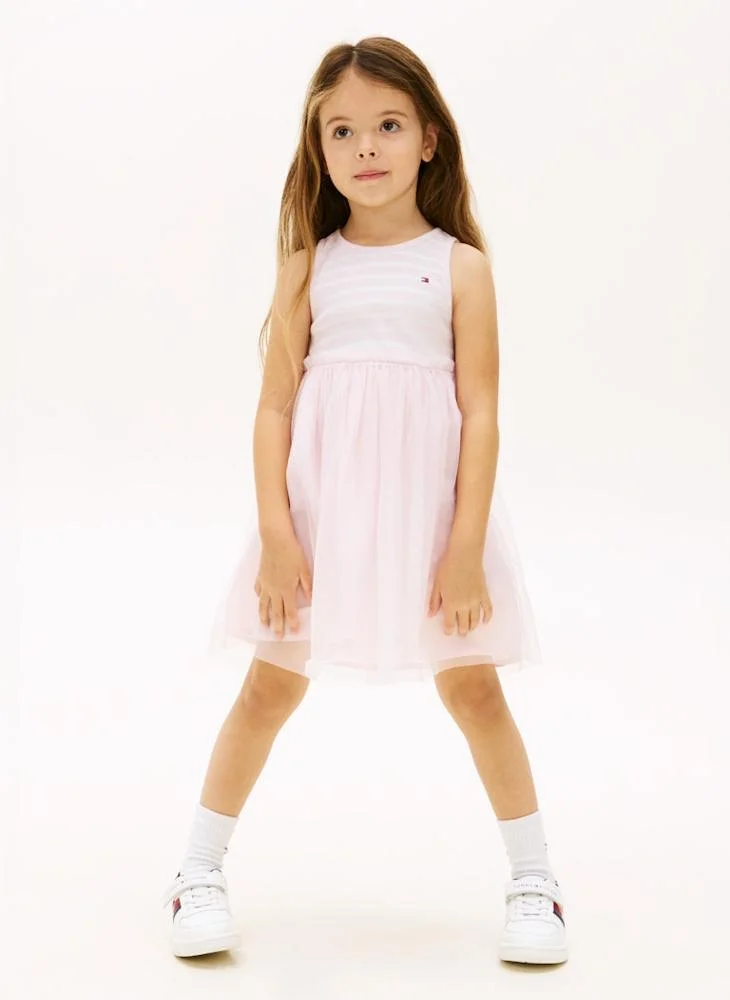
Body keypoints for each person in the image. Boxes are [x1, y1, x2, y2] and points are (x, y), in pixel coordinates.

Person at [162, 36, 568, 966]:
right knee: (269, 686)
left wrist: (465, 547)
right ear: (318, 147)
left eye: (387, 124)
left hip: (432, 527)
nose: (365, 147)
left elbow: (481, 411)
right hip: (320, 525)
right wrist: (277, 535)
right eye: (341, 131)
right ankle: (197, 871)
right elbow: (274, 407)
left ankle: (535, 881)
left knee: (474, 689)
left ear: (429, 138)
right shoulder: (308, 267)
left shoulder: (460, 267)